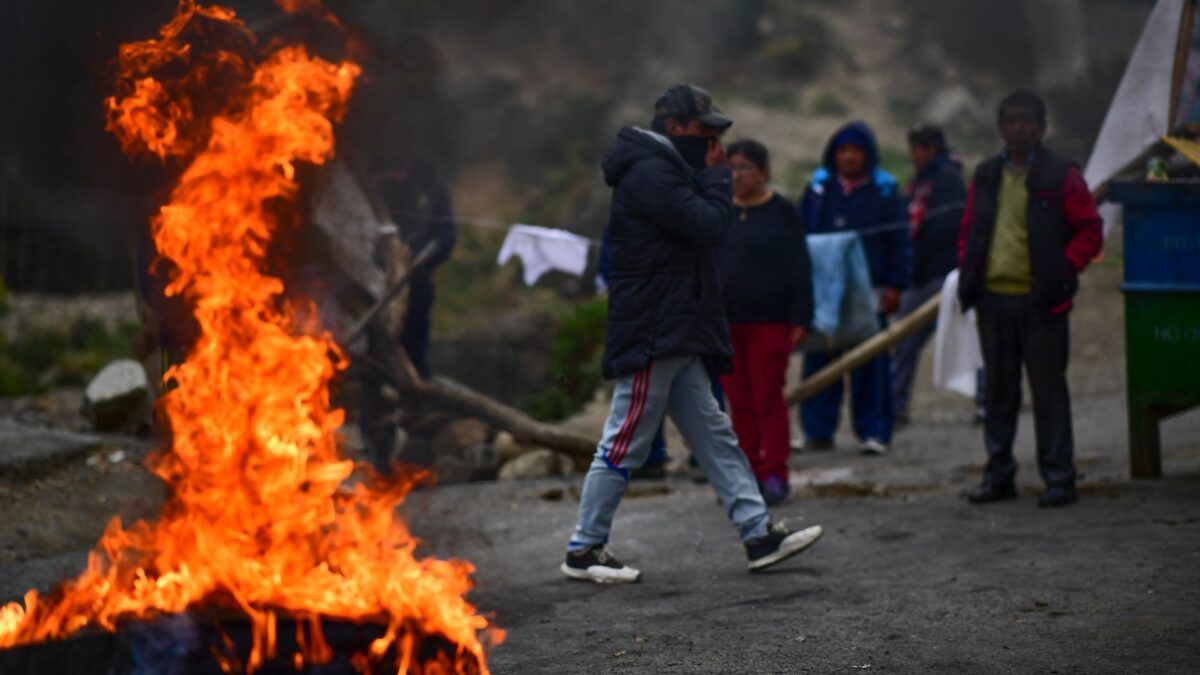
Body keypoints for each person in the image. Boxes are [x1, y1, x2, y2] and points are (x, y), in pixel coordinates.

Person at [561, 84, 823, 584]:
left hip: (677, 328)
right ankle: (584, 548)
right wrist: (719, 176)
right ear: (676, 126)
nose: (714, 144)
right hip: (655, 329)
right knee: (623, 441)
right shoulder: (651, 172)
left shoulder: (667, 169)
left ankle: (757, 534)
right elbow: (708, 225)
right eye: (707, 131)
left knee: (716, 437)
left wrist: (708, 176)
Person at [957, 90, 1102, 508]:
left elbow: (1090, 231)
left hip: (1042, 302)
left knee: (1048, 393)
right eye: (1011, 120)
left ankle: (1059, 479)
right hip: (993, 301)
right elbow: (970, 230)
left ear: (1041, 126)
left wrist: (1063, 270)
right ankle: (999, 476)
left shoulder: (1061, 175)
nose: (1019, 127)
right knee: (1000, 395)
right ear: (1000, 127)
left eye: (1027, 120)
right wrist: (969, 273)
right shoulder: (985, 175)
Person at [796, 121, 910, 455]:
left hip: (869, 291)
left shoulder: (885, 191)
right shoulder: (819, 190)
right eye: (843, 151)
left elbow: (900, 243)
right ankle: (817, 431)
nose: (848, 158)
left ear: (868, 155)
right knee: (821, 359)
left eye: (856, 151)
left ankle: (874, 431)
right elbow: (800, 237)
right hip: (824, 293)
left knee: (870, 364)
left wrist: (896, 284)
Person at [717, 139, 813, 504]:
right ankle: (747, 474)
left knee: (768, 399)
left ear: (764, 173)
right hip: (727, 323)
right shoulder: (721, 211)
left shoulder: (781, 212)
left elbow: (800, 267)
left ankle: (774, 474)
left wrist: (801, 316)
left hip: (771, 322)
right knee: (737, 402)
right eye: (731, 168)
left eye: (744, 168)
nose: (737, 175)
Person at [890, 125, 967, 426]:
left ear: (930, 149)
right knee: (905, 341)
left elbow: (944, 227)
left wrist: (917, 260)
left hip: (941, 275)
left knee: (961, 338)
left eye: (916, 150)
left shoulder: (947, 180)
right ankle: (896, 403)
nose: (912, 156)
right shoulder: (919, 182)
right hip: (920, 275)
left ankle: (988, 400)